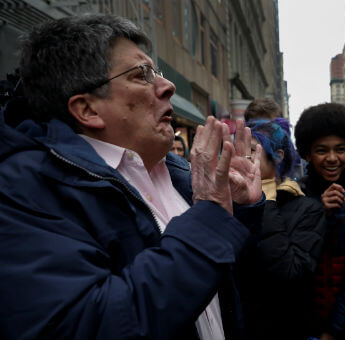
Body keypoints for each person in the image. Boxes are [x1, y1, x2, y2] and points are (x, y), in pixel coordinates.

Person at [0, 14, 264, 340]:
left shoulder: (182, 175)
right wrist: (210, 217)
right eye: (142, 75)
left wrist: (239, 213)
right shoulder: (27, 187)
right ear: (88, 109)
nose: (167, 87)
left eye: (159, 73)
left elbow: (223, 286)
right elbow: (86, 324)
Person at [235, 118, 327, 339]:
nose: (243, 159)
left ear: (278, 156)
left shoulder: (307, 209)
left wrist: (264, 198)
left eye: (252, 152)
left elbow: (291, 273)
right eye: (240, 152)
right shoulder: (232, 201)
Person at [294, 103, 345, 339]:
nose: (332, 158)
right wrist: (317, 212)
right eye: (322, 150)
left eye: (340, 149)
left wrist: (335, 330)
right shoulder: (297, 192)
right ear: (307, 153)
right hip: (308, 318)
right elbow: (293, 260)